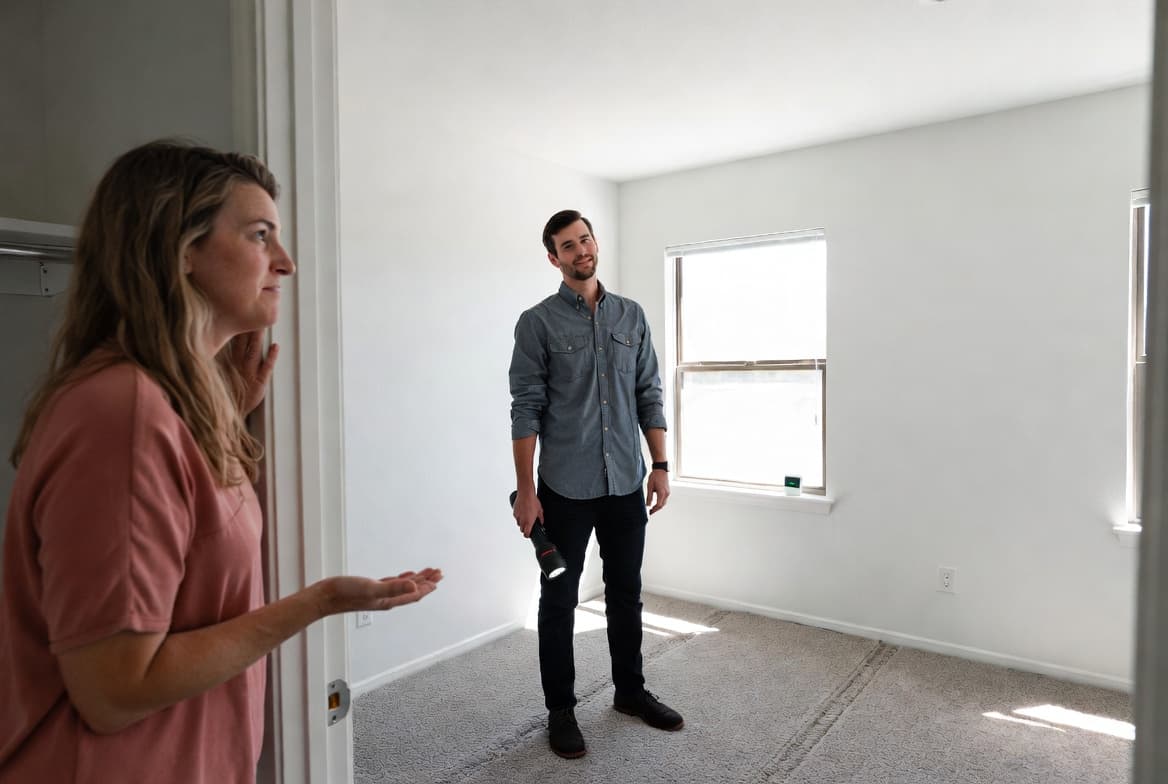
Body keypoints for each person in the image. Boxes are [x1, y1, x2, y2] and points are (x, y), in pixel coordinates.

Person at [0, 140, 442, 783]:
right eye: (261, 235)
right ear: (181, 250)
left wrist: (227, 413)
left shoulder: (157, 407)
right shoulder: (121, 414)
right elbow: (115, 691)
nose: (286, 263)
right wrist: (318, 602)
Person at [509, 209, 682, 759]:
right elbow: (526, 410)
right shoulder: (536, 323)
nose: (580, 250)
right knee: (559, 598)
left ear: (594, 242)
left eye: (585, 239)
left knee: (626, 591)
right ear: (553, 258)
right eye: (567, 245)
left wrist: (660, 464)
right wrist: (527, 491)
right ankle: (560, 711)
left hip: (627, 481)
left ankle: (629, 691)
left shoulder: (631, 316)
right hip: (564, 488)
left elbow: (649, 392)